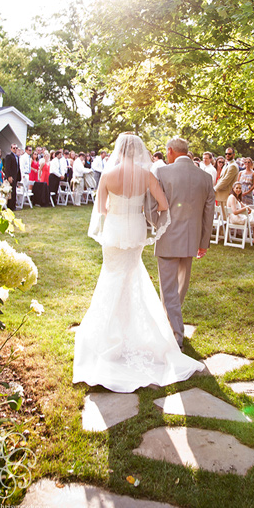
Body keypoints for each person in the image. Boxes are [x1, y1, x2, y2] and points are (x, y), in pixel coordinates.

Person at [73, 133, 204, 392]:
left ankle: (107, 336)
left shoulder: (108, 175)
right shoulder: (147, 176)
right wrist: (156, 226)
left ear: (119, 150)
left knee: (111, 277)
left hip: (114, 230)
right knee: (132, 277)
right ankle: (133, 332)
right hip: (135, 231)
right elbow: (163, 205)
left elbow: (100, 209)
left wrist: (116, 210)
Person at [150, 137, 216, 348]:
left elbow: (151, 206)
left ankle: (177, 335)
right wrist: (203, 242)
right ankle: (171, 324)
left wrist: (156, 226)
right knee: (180, 288)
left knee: (168, 289)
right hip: (191, 240)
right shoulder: (205, 177)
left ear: (170, 151)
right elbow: (209, 213)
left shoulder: (161, 173)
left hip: (168, 237)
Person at [4, 145, 22, 211]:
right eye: (14, 148)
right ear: (11, 149)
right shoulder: (9, 156)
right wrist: (9, 176)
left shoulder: (17, 157)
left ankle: (13, 206)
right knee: (10, 192)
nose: (15, 149)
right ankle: (10, 206)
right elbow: (7, 167)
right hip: (11, 177)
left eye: (16, 148)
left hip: (16, 176)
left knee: (14, 191)